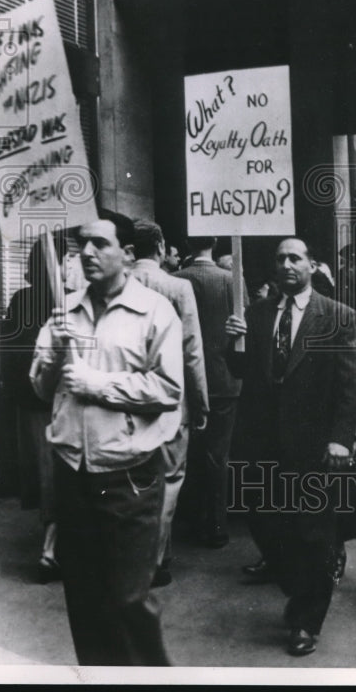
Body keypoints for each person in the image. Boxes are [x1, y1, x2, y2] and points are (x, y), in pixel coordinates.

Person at [30, 211, 183, 666]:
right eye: (82, 245)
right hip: (73, 471)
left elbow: (169, 390)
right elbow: (40, 389)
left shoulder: (155, 312)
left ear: (129, 255)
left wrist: (98, 384)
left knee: (128, 598)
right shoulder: (65, 310)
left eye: (100, 244)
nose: (87, 253)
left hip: (127, 475)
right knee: (84, 598)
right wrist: (55, 355)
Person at [225, 238, 356, 657]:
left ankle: (305, 619)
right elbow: (243, 372)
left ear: (311, 264)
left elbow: (349, 386)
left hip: (313, 446)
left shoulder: (338, 317)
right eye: (280, 259)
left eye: (294, 258)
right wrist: (231, 342)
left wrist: (341, 437)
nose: (286, 264)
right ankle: (303, 581)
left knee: (311, 533)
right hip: (262, 444)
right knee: (266, 524)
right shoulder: (257, 313)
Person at [131, 219, 210, 585]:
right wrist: (201, 400)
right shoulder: (177, 287)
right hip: (170, 399)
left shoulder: (116, 286)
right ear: (160, 246)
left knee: (132, 481)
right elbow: (192, 349)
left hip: (126, 399)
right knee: (170, 479)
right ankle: (156, 558)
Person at [0, 234, 68, 582]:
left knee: (45, 475)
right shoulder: (67, 303)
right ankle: (51, 548)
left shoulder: (20, 299)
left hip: (30, 401)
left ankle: (52, 544)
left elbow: (7, 351)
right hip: (59, 400)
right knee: (60, 474)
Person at [174, 235, 244, 548]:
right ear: (214, 243)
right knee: (218, 454)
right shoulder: (232, 281)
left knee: (187, 453)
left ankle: (187, 519)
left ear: (186, 245)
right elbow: (245, 326)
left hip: (184, 380)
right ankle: (216, 523)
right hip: (224, 379)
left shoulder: (174, 280)